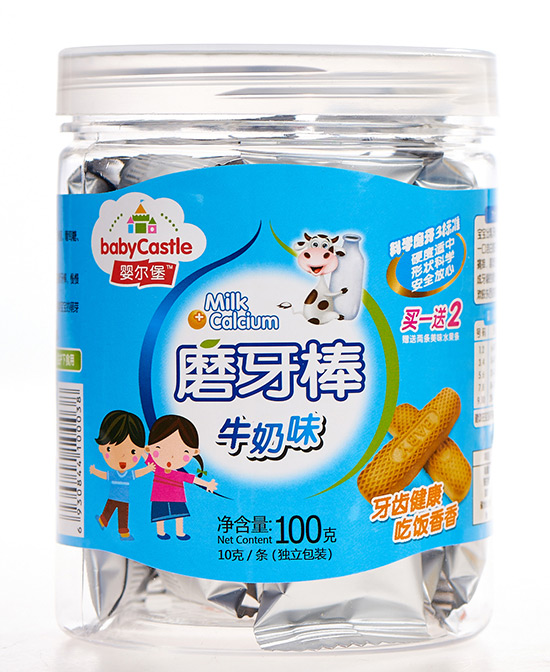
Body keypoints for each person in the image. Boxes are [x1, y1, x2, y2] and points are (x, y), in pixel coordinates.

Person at [146, 414, 218, 540]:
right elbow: (144, 456)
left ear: (194, 452)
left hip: (176, 497)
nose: (171, 456)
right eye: (160, 448)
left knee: (179, 515)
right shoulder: (156, 468)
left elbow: (192, 479)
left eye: (183, 452)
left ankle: (180, 533)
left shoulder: (178, 474)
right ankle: (161, 532)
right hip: (159, 496)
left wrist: (207, 484)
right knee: (160, 515)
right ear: (149, 448)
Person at [90, 410, 154, 540]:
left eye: (133, 452)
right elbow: (105, 475)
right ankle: (105, 522)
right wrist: (95, 471)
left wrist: (148, 468)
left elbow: (137, 473)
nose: (123, 457)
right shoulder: (115, 474)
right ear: (101, 448)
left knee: (121, 515)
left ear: (141, 451)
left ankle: (121, 531)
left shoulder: (127, 474)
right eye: (110, 449)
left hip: (122, 498)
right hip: (116, 497)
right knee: (112, 511)